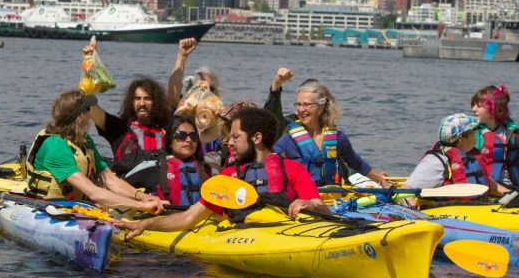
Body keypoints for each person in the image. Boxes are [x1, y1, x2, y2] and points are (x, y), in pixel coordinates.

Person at [114, 106, 326, 239]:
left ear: (257, 138)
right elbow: (189, 218)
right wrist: (145, 224)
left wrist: (310, 205)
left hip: (284, 235)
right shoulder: (226, 178)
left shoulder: (292, 169)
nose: (229, 143)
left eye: (235, 137)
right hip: (242, 241)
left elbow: (323, 210)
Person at [25, 89, 165, 213]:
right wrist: (141, 206)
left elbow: (109, 179)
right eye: (87, 109)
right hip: (51, 205)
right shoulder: (55, 146)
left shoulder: (84, 140)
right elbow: (93, 192)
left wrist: (142, 197)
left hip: (75, 202)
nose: (90, 113)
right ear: (79, 116)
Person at [266, 68, 392, 188]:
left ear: (321, 107)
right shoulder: (288, 140)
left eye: (307, 105)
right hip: (302, 196)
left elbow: (357, 163)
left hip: (332, 196)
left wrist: (381, 180)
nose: (301, 109)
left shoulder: (338, 138)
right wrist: (276, 85)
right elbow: (267, 161)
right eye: (298, 104)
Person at [82, 41, 172, 178]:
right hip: (128, 186)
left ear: (156, 102)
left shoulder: (168, 130)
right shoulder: (119, 129)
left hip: (161, 186)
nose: (142, 103)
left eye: (147, 98)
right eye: (137, 98)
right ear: (131, 101)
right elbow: (88, 103)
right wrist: (88, 65)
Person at [399, 113, 486, 206]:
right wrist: (410, 204)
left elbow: (485, 183)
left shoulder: (469, 154)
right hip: (447, 211)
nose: (476, 135)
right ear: (462, 140)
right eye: (473, 132)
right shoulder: (436, 162)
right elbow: (404, 191)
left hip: (475, 207)